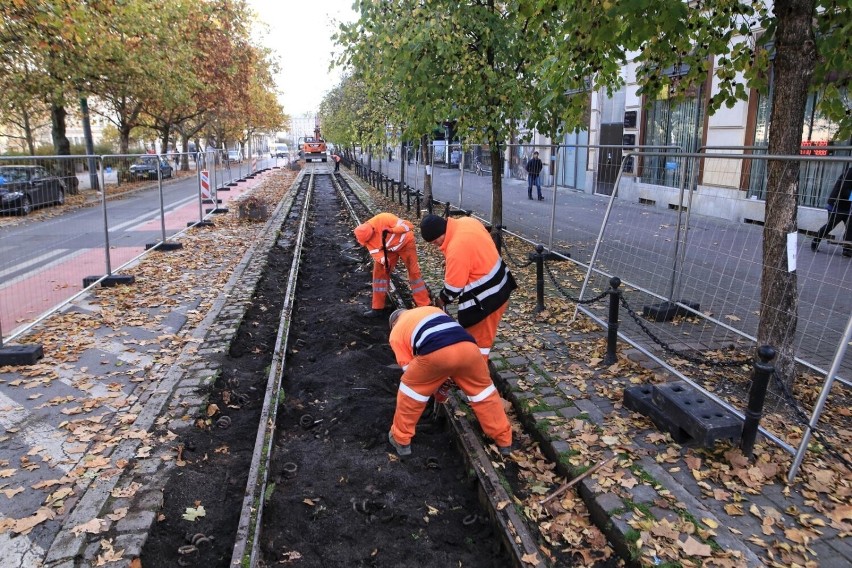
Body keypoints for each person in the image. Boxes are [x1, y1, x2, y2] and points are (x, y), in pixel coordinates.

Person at [386, 306, 513, 457]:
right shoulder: (431, 309)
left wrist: (434, 383)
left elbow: (410, 369)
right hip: (469, 349)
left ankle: (401, 439)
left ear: (393, 323)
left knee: (411, 392)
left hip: (436, 352)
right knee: (484, 394)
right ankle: (504, 440)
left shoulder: (396, 332)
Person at [419, 214, 517, 359]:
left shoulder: (456, 248)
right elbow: (474, 248)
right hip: (501, 284)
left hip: (487, 300)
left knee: (477, 345)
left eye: (435, 242)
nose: (437, 245)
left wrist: (441, 300)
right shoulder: (467, 222)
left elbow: (453, 289)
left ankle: (477, 377)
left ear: (441, 233)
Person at [354, 213, 431, 318]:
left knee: (414, 272)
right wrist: (384, 261)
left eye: (371, 239)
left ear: (372, 230)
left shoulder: (384, 218)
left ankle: (424, 304)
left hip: (406, 243)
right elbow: (376, 253)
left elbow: (409, 225)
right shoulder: (365, 239)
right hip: (389, 250)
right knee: (379, 273)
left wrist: (392, 230)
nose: (370, 242)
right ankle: (377, 307)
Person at [812, 166, 852, 257]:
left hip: (848, 207)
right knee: (831, 225)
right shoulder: (850, 172)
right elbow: (845, 190)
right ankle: (815, 241)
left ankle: (847, 249)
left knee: (850, 228)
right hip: (837, 204)